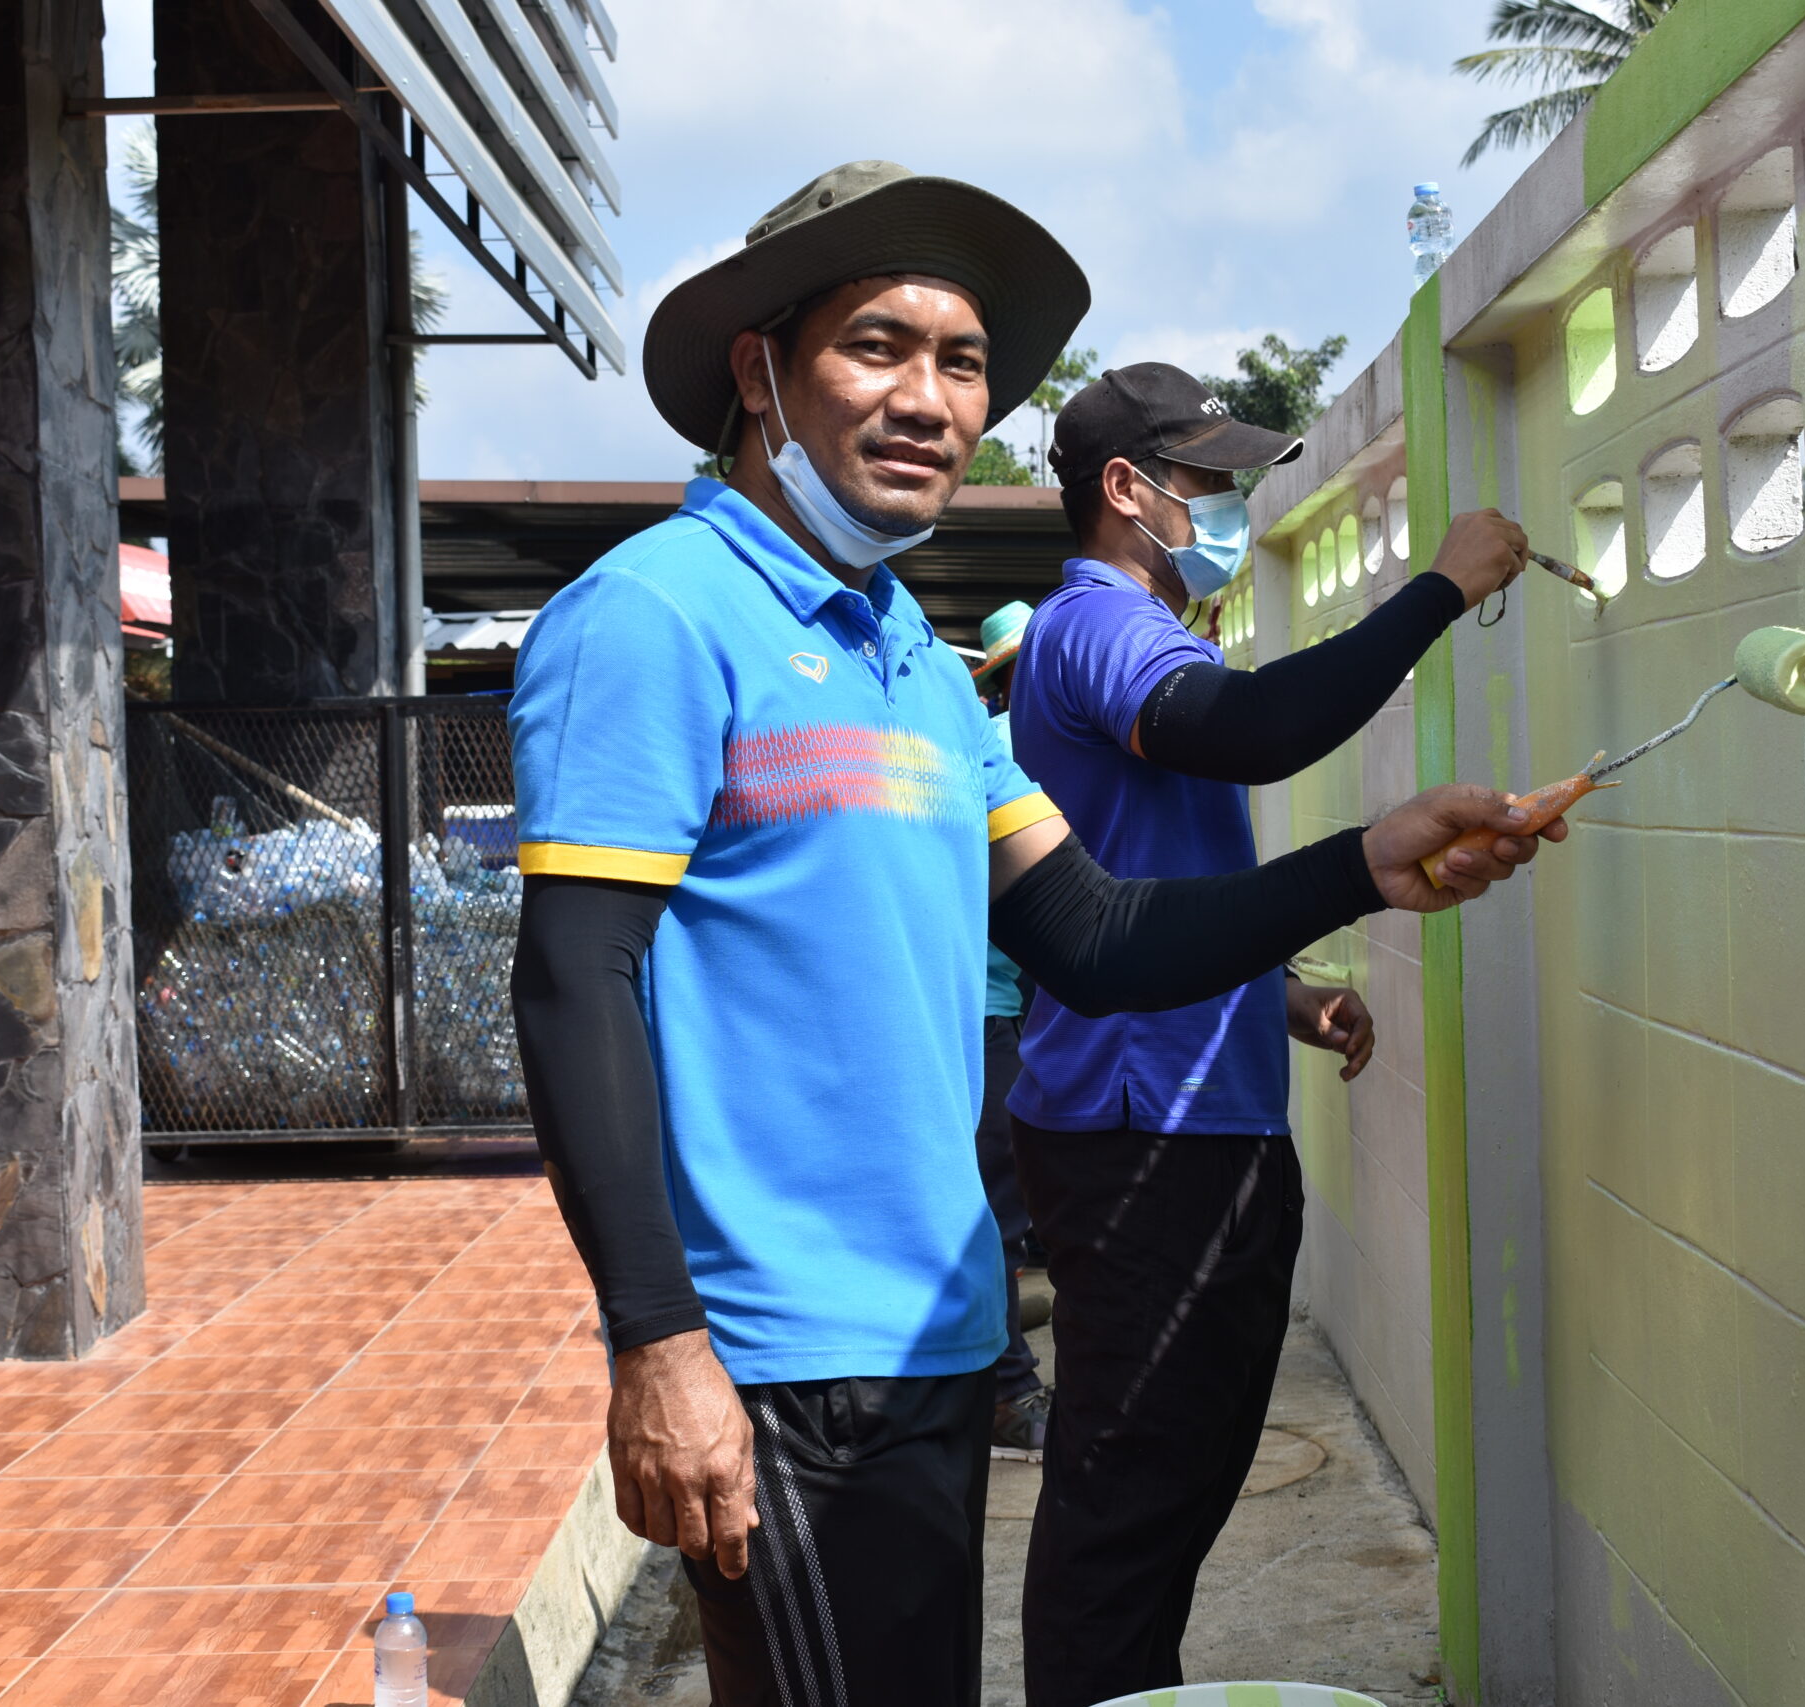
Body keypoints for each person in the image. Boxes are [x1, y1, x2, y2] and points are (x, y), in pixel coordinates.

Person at [506, 160, 1561, 1707]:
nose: (930, 399)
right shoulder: (656, 614)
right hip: (783, 1351)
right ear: (760, 369)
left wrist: (1365, 864)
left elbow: (1098, 934)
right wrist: (658, 1342)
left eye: (962, 362)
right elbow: (572, 980)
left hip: (941, 1327)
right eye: (877, 346)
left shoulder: (915, 661)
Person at [1005, 362, 1529, 1707]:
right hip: (1143, 1136)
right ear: (1126, 489)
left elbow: (1146, 878)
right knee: (1127, 1512)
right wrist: (1441, 586)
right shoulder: (1098, 623)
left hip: (1194, 1115)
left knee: (1168, 1497)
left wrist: (1274, 994)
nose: (1231, 506)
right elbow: (1252, 733)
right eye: (1210, 481)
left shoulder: (1138, 627)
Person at [971, 600, 1048, 1460]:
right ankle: (1007, 1393)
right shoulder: (1006, 750)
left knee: (1008, 1200)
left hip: (1016, 1004)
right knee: (996, 1205)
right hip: (994, 1003)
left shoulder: (1002, 742)